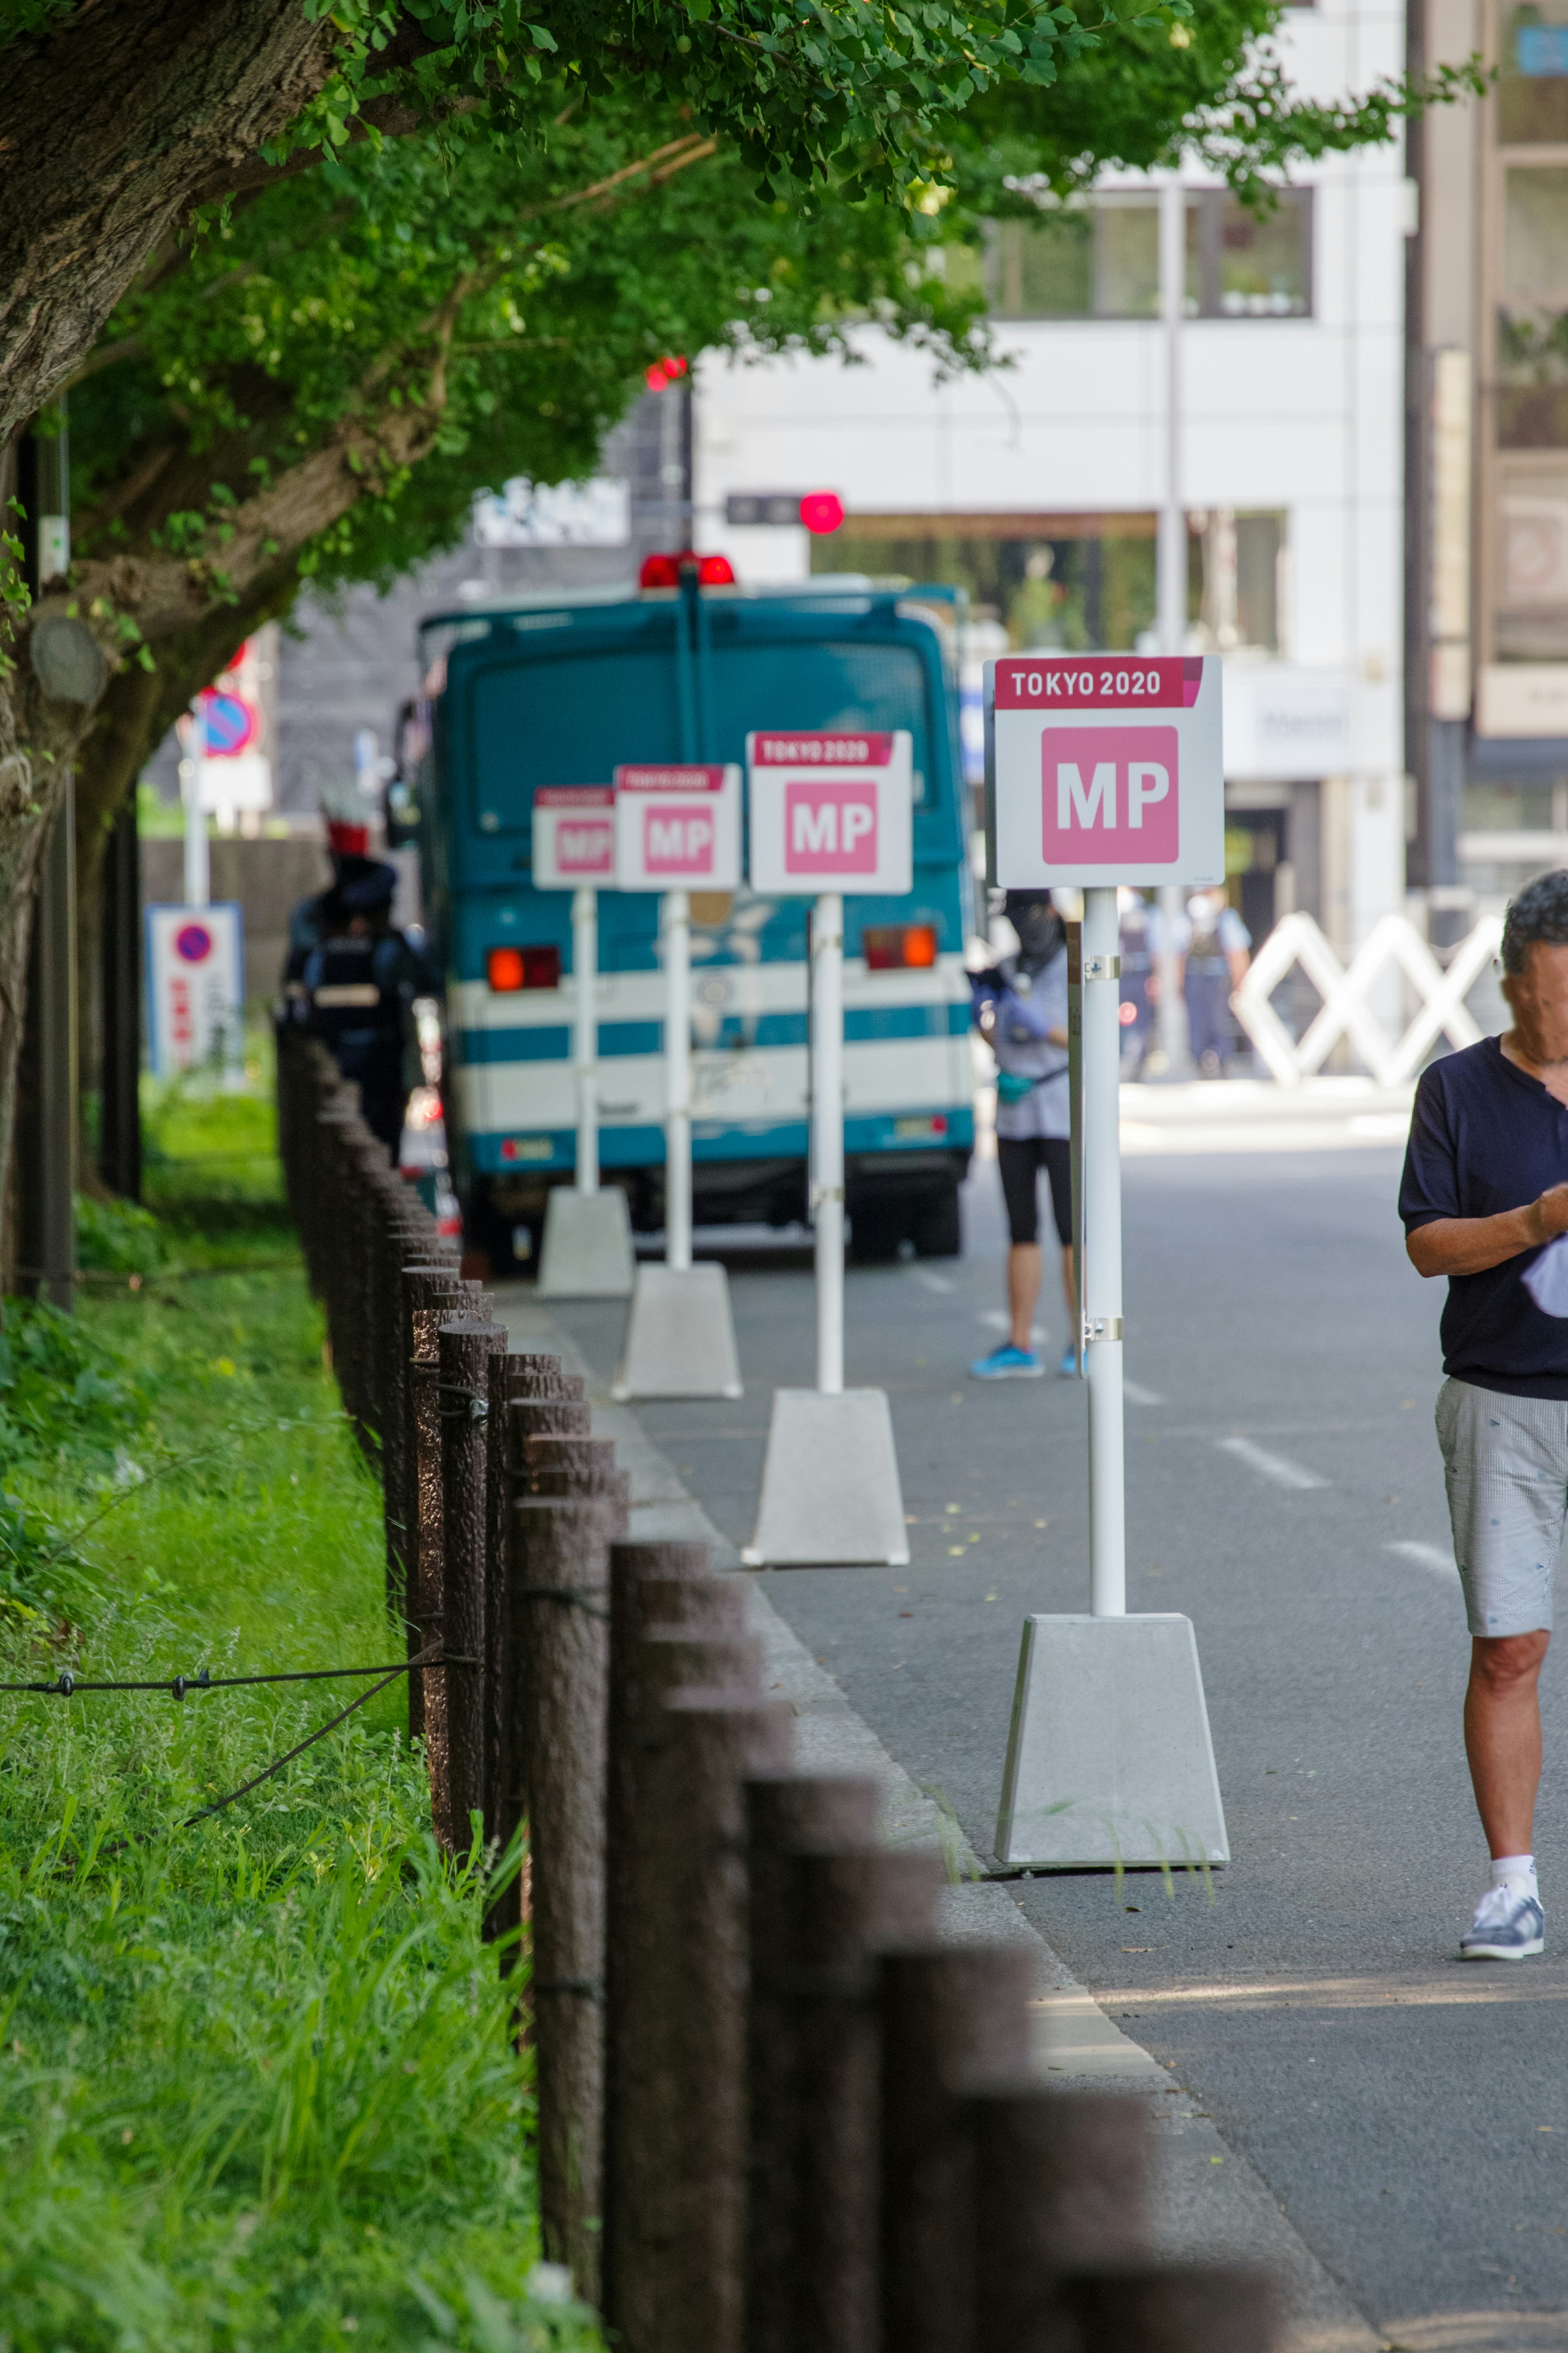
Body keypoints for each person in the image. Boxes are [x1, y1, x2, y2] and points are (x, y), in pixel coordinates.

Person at [1399, 868, 1568, 1960]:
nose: (1565, 1017)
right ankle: (1512, 1887)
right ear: (1510, 986)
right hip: (1503, 1401)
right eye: (1550, 993)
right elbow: (1427, 1245)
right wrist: (1538, 1218)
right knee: (1510, 1647)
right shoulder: (1456, 1091)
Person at [281, 826, 437, 1161]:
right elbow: (427, 980)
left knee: (339, 1155)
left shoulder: (319, 952)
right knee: (382, 1152)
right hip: (380, 1068)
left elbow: (297, 1006)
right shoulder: (387, 951)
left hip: (330, 1063)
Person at [969, 891, 1076, 1379]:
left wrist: (1044, 1027)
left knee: (1073, 1234)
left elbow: (1088, 1037)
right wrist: (981, 1018)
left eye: (1027, 917)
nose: (1022, 928)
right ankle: (1020, 1342)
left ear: (1051, 914)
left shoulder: (1080, 966)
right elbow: (1004, 1037)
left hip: (1060, 1114)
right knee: (1021, 1231)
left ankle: (1084, 1340)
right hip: (1015, 1113)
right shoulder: (1008, 970)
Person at [1177, 885, 1251, 1077]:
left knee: (1197, 1022)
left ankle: (1201, 1061)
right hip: (1218, 977)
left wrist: (1181, 985)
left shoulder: (1186, 917)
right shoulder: (1225, 917)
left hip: (1194, 977)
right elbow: (1237, 953)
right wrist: (1240, 983)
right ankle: (1222, 1061)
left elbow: (1179, 956)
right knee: (1220, 1022)